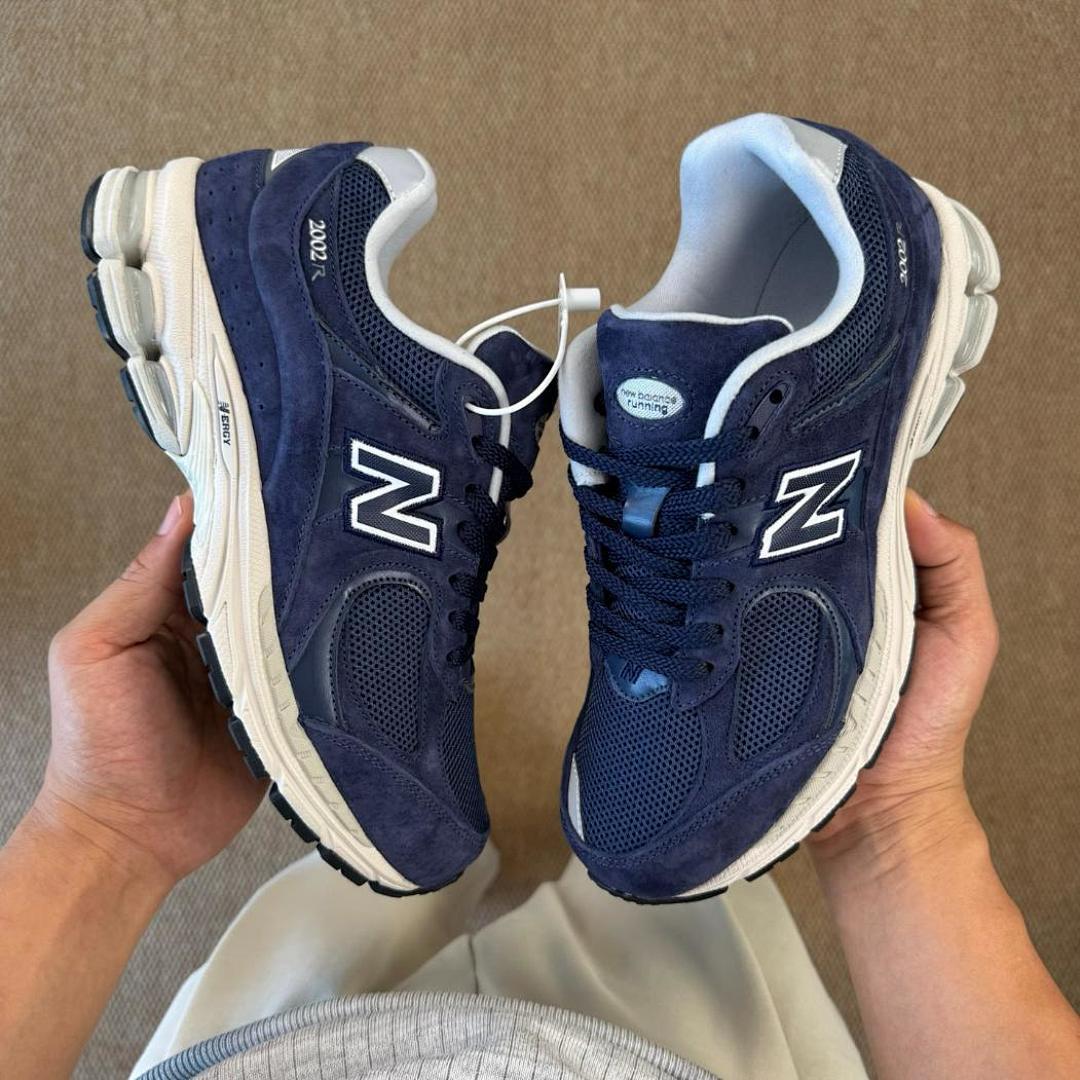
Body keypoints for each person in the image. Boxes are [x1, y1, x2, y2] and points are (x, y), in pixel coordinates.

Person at [0, 490, 1076, 1079]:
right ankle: (547, 803)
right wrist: (896, 832)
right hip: (691, 1058)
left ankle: (439, 827)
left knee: (393, 850)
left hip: (279, 1044)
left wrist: (104, 833)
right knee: (672, 859)